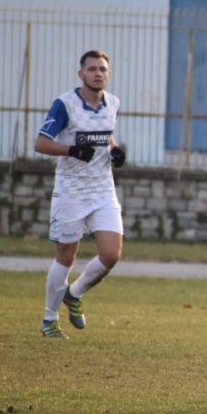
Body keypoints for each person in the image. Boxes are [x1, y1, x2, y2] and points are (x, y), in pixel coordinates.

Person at [34, 49, 126, 339]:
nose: (98, 73)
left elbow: (107, 134)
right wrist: (72, 149)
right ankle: (50, 319)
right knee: (66, 256)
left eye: (102, 69)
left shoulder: (112, 103)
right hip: (71, 190)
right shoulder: (65, 104)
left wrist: (114, 150)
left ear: (108, 75)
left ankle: (73, 294)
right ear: (81, 74)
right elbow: (40, 143)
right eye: (92, 69)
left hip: (102, 189)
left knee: (111, 254)